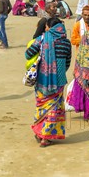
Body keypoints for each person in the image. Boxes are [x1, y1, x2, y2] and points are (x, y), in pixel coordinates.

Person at [25, 18, 72, 146]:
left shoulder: (41, 39)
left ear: (49, 27)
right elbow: (68, 62)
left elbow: (28, 54)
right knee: (54, 109)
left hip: (42, 80)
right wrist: (59, 71)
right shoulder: (66, 43)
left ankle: (40, 133)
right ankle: (46, 136)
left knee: (41, 106)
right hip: (59, 79)